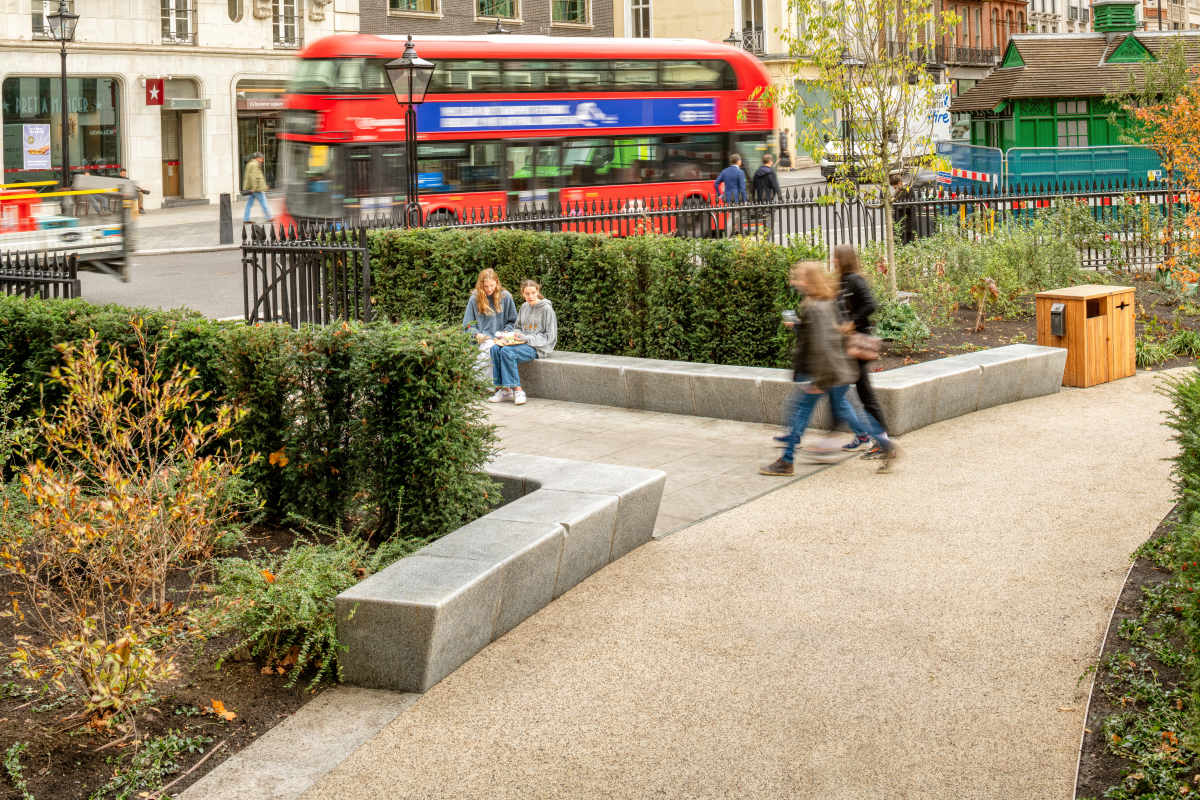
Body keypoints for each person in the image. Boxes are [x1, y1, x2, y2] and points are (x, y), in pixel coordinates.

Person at [760, 262, 895, 476]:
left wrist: (819, 381)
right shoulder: (828, 301)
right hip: (833, 371)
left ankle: (786, 461)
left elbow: (822, 346)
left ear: (810, 281)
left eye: (799, 278)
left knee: (798, 412)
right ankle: (884, 443)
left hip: (823, 373)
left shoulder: (814, 307)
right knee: (843, 411)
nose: (794, 282)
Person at [834, 244, 892, 458]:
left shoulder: (855, 280)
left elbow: (870, 305)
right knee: (847, 392)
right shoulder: (842, 281)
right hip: (847, 344)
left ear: (844, 259)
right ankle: (866, 436)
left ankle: (882, 441)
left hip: (857, 343)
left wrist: (852, 322)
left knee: (863, 393)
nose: (834, 261)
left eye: (836, 258)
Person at [488, 279, 557, 406]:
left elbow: (550, 337)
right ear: (523, 294)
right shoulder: (524, 307)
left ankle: (518, 391)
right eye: (527, 294)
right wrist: (512, 336)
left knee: (507, 352)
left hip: (538, 347)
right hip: (521, 343)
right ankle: (503, 389)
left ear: (538, 292)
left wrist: (526, 338)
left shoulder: (546, 309)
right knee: (495, 348)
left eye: (533, 293)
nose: (530, 296)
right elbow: (518, 327)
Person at [462, 268, 517, 374]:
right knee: (485, 354)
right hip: (482, 341)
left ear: (497, 282)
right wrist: (476, 335)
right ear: (480, 285)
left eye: (492, 285)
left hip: (502, 340)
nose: (489, 289)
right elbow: (467, 325)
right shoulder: (475, 299)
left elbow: (513, 321)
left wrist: (505, 332)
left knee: (493, 352)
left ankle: (491, 388)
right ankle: (485, 388)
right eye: (486, 286)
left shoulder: (505, 297)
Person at [242, 151, 272, 224]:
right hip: (257, 189)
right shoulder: (255, 164)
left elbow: (252, 177)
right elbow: (254, 177)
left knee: (249, 204)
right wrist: (254, 188)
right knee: (264, 203)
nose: (262, 160)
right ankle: (269, 217)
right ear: (258, 158)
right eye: (262, 158)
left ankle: (246, 219)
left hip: (253, 188)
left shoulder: (250, 164)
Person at [889, 173, 915, 245]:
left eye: (895, 187)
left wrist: (898, 206)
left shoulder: (908, 188)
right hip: (898, 220)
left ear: (900, 182)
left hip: (906, 220)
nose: (895, 188)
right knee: (897, 240)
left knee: (906, 242)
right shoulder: (898, 190)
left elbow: (911, 204)